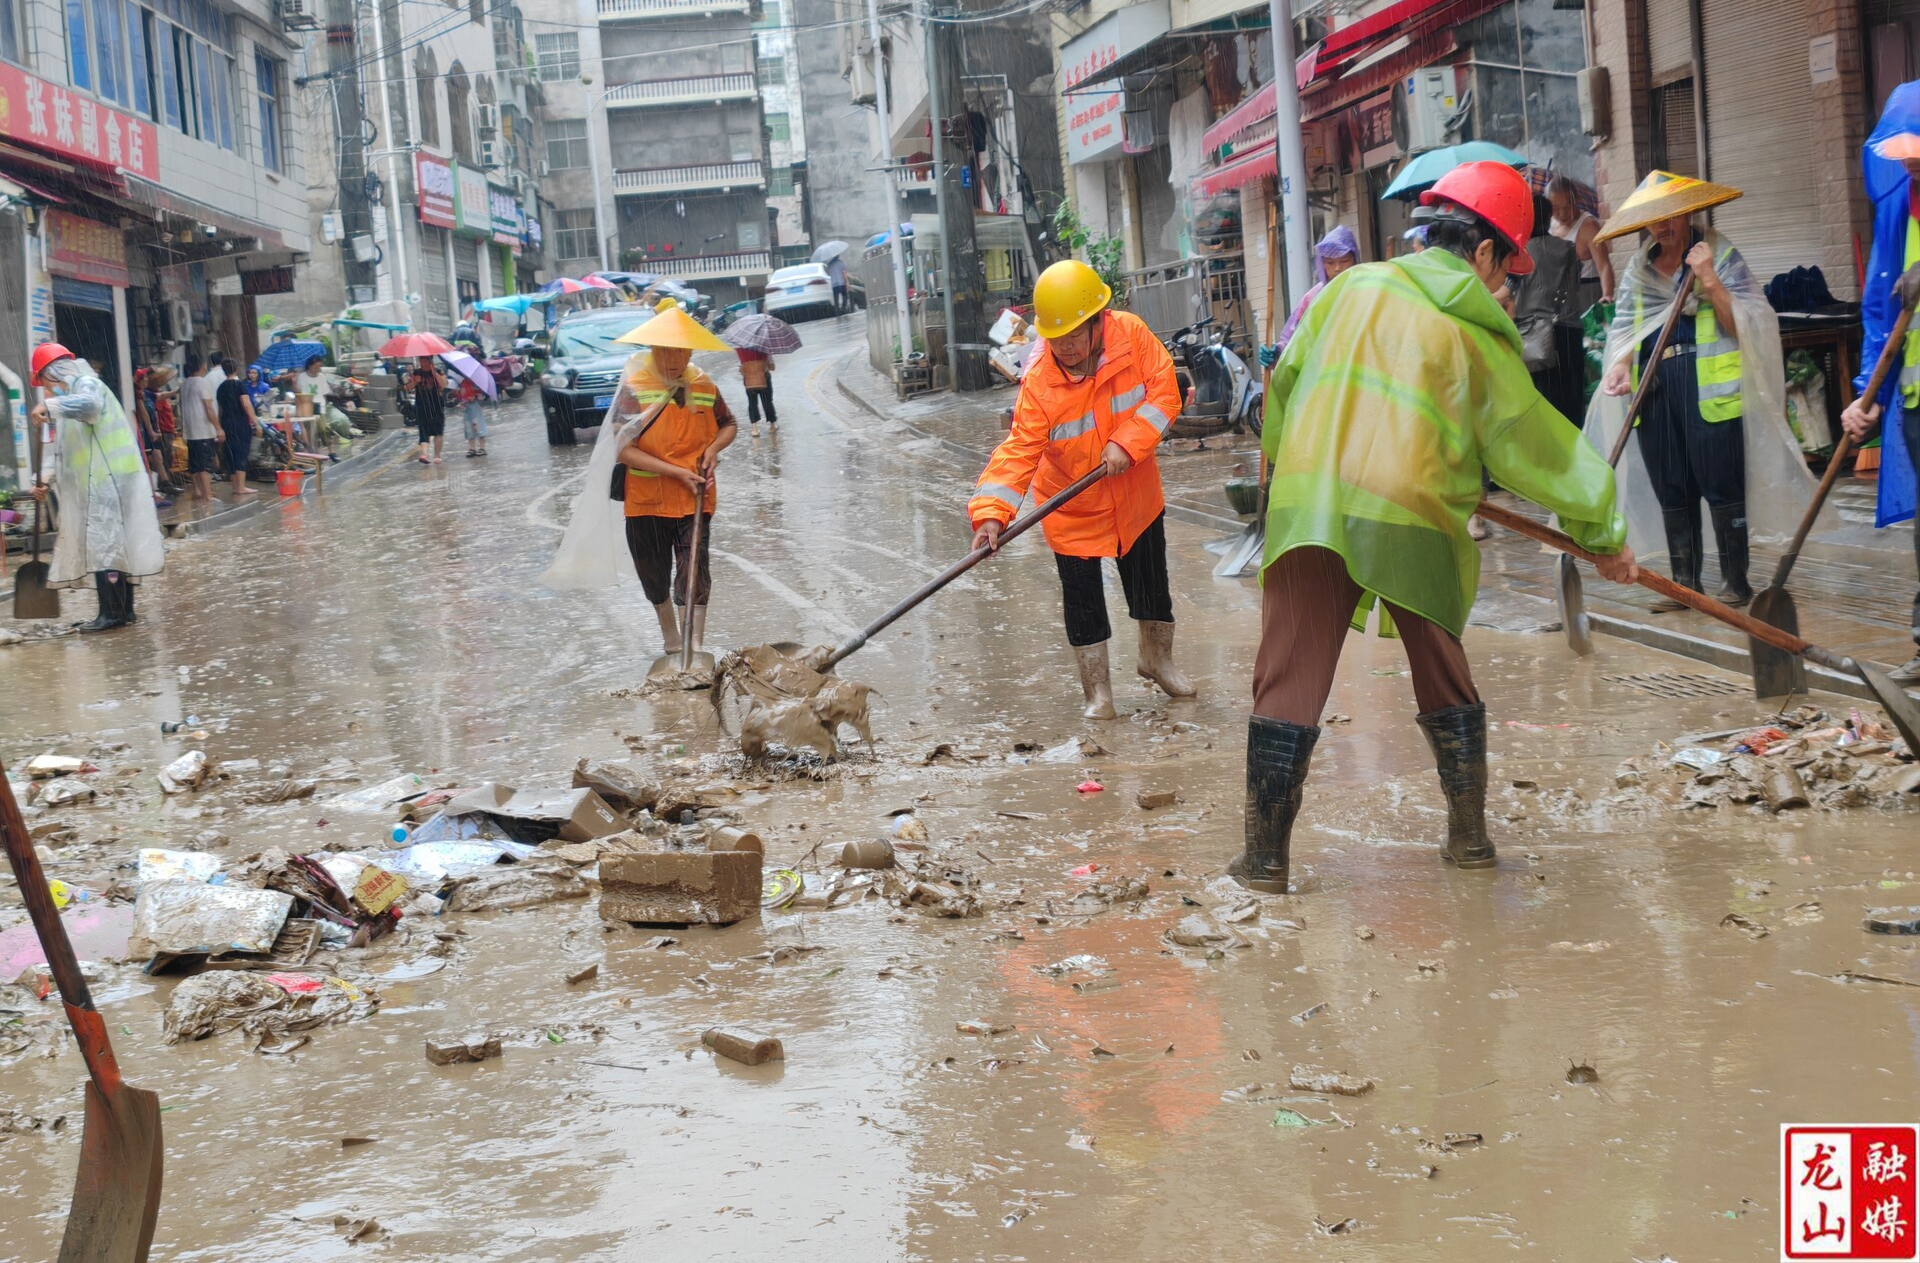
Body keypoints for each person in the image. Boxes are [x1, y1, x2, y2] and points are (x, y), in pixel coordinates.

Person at [1241, 162, 1637, 891]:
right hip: (1412, 511)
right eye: (1506, 269)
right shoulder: (1474, 335)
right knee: (1441, 668)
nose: (1506, 289)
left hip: (1309, 499)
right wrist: (1603, 533)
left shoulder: (1347, 289)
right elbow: (1535, 449)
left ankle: (1264, 857)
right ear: (1483, 252)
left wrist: (1301, 462)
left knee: (1288, 674)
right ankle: (1470, 838)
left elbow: (1284, 391)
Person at [966, 259, 1194, 719]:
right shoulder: (1040, 383)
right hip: (1071, 504)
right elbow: (1019, 450)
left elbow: (1165, 392)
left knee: (1151, 581)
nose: (1066, 347)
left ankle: (1157, 659)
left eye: (1075, 334)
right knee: (1083, 598)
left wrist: (1127, 444)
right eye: (1056, 338)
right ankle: (1098, 691)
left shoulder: (1130, 335)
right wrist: (992, 513)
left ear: (1098, 323)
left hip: (1135, 491)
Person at [1593, 172, 1782, 611]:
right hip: (1656, 390)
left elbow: (1749, 324)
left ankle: (1736, 582)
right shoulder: (1637, 271)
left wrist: (1709, 279)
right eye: (1653, 220)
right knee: (1672, 485)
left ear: (1689, 212)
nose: (1663, 227)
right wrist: (1620, 368)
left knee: (1720, 482)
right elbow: (1623, 334)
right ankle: (1684, 584)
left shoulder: (1719, 253)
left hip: (1709, 387)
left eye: (1671, 216)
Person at [1839, 83, 1920, 685]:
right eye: (1903, 153)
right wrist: (1866, 391)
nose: (1910, 162)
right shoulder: (1898, 205)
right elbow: (1879, 311)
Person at [608, 299, 737, 656]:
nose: (673, 359)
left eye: (680, 351)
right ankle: (671, 638)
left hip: (693, 497)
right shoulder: (635, 388)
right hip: (646, 499)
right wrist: (673, 470)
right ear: (652, 348)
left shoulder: (704, 384)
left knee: (694, 570)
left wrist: (712, 450)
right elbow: (622, 448)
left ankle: (693, 646)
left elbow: (729, 425)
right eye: (665, 350)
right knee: (653, 572)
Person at [26, 344, 166, 632]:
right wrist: (41, 482)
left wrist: (50, 407)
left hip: (109, 481)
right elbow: (65, 452)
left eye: (45, 386)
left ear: (53, 376)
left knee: (107, 547)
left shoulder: (86, 386)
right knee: (114, 545)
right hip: (102, 482)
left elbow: (90, 406)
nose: (47, 393)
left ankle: (112, 613)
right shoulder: (70, 406)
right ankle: (123, 611)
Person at [1260, 225, 1360, 365]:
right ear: (1322, 264)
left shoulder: (1367, 291)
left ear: (1355, 259)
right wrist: (1276, 353)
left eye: (1344, 261)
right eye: (1330, 263)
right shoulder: (1314, 298)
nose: (1338, 268)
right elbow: (1295, 340)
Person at [1548, 175, 1614, 307]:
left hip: (1586, 293)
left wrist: (1607, 295)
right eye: (1555, 208)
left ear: (1576, 199)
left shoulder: (1589, 226)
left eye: (1567, 207)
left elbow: (1604, 265)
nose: (1562, 214)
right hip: (1560, 296)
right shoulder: (1550, 224)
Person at [177, 354, 220, 502]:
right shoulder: (202, 383)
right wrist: (218, 427)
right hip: (202, 429)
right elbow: (208, 407)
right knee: (205, 465)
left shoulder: (184, 383)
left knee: (195, 464)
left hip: (190, 430)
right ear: (201, 366)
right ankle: (207, 494)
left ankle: (197, 491)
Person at [214, 357, 258, 498]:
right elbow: (246, 404)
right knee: (241, 452)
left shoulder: (221, 387)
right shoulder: (239, 385)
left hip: (226, 422)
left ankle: (235, 486)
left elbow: (220, 408)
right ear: (236, 369)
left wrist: (219, 426)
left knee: (231, 452)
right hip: (239, 422)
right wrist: (255, 421)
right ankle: (241, 487)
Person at [410, 356, 448, 464]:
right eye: (421, 361)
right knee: (423, 431)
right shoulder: (416, 373)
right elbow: (407, 388)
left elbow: (444, 384)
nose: (423, 363)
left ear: (430, 361)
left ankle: (437, 455)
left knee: (438, 432)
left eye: (425, 361)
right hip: (422, 406)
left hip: (436, 406)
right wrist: (414, 382)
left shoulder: (439, 371)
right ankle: (425, 454)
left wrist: (434, 372)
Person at [737, 347, 776, 428]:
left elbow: (741, 369)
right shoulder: (764, 348)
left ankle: (754, 428)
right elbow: (772, 367)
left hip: (749, 380)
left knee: (752, 403)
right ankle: (772, 425)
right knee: (767, 401)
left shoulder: (741, 349)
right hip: (764, 379)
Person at [456, 374, 488, 457]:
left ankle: (482, 448)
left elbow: (482, 395)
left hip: (475, 406)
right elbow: (460, 396)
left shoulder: (477, 382)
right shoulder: (461, 383)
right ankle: (472, 448)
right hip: (466, 407)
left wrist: (475, 397)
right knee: (469, 428)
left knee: (479, 426)